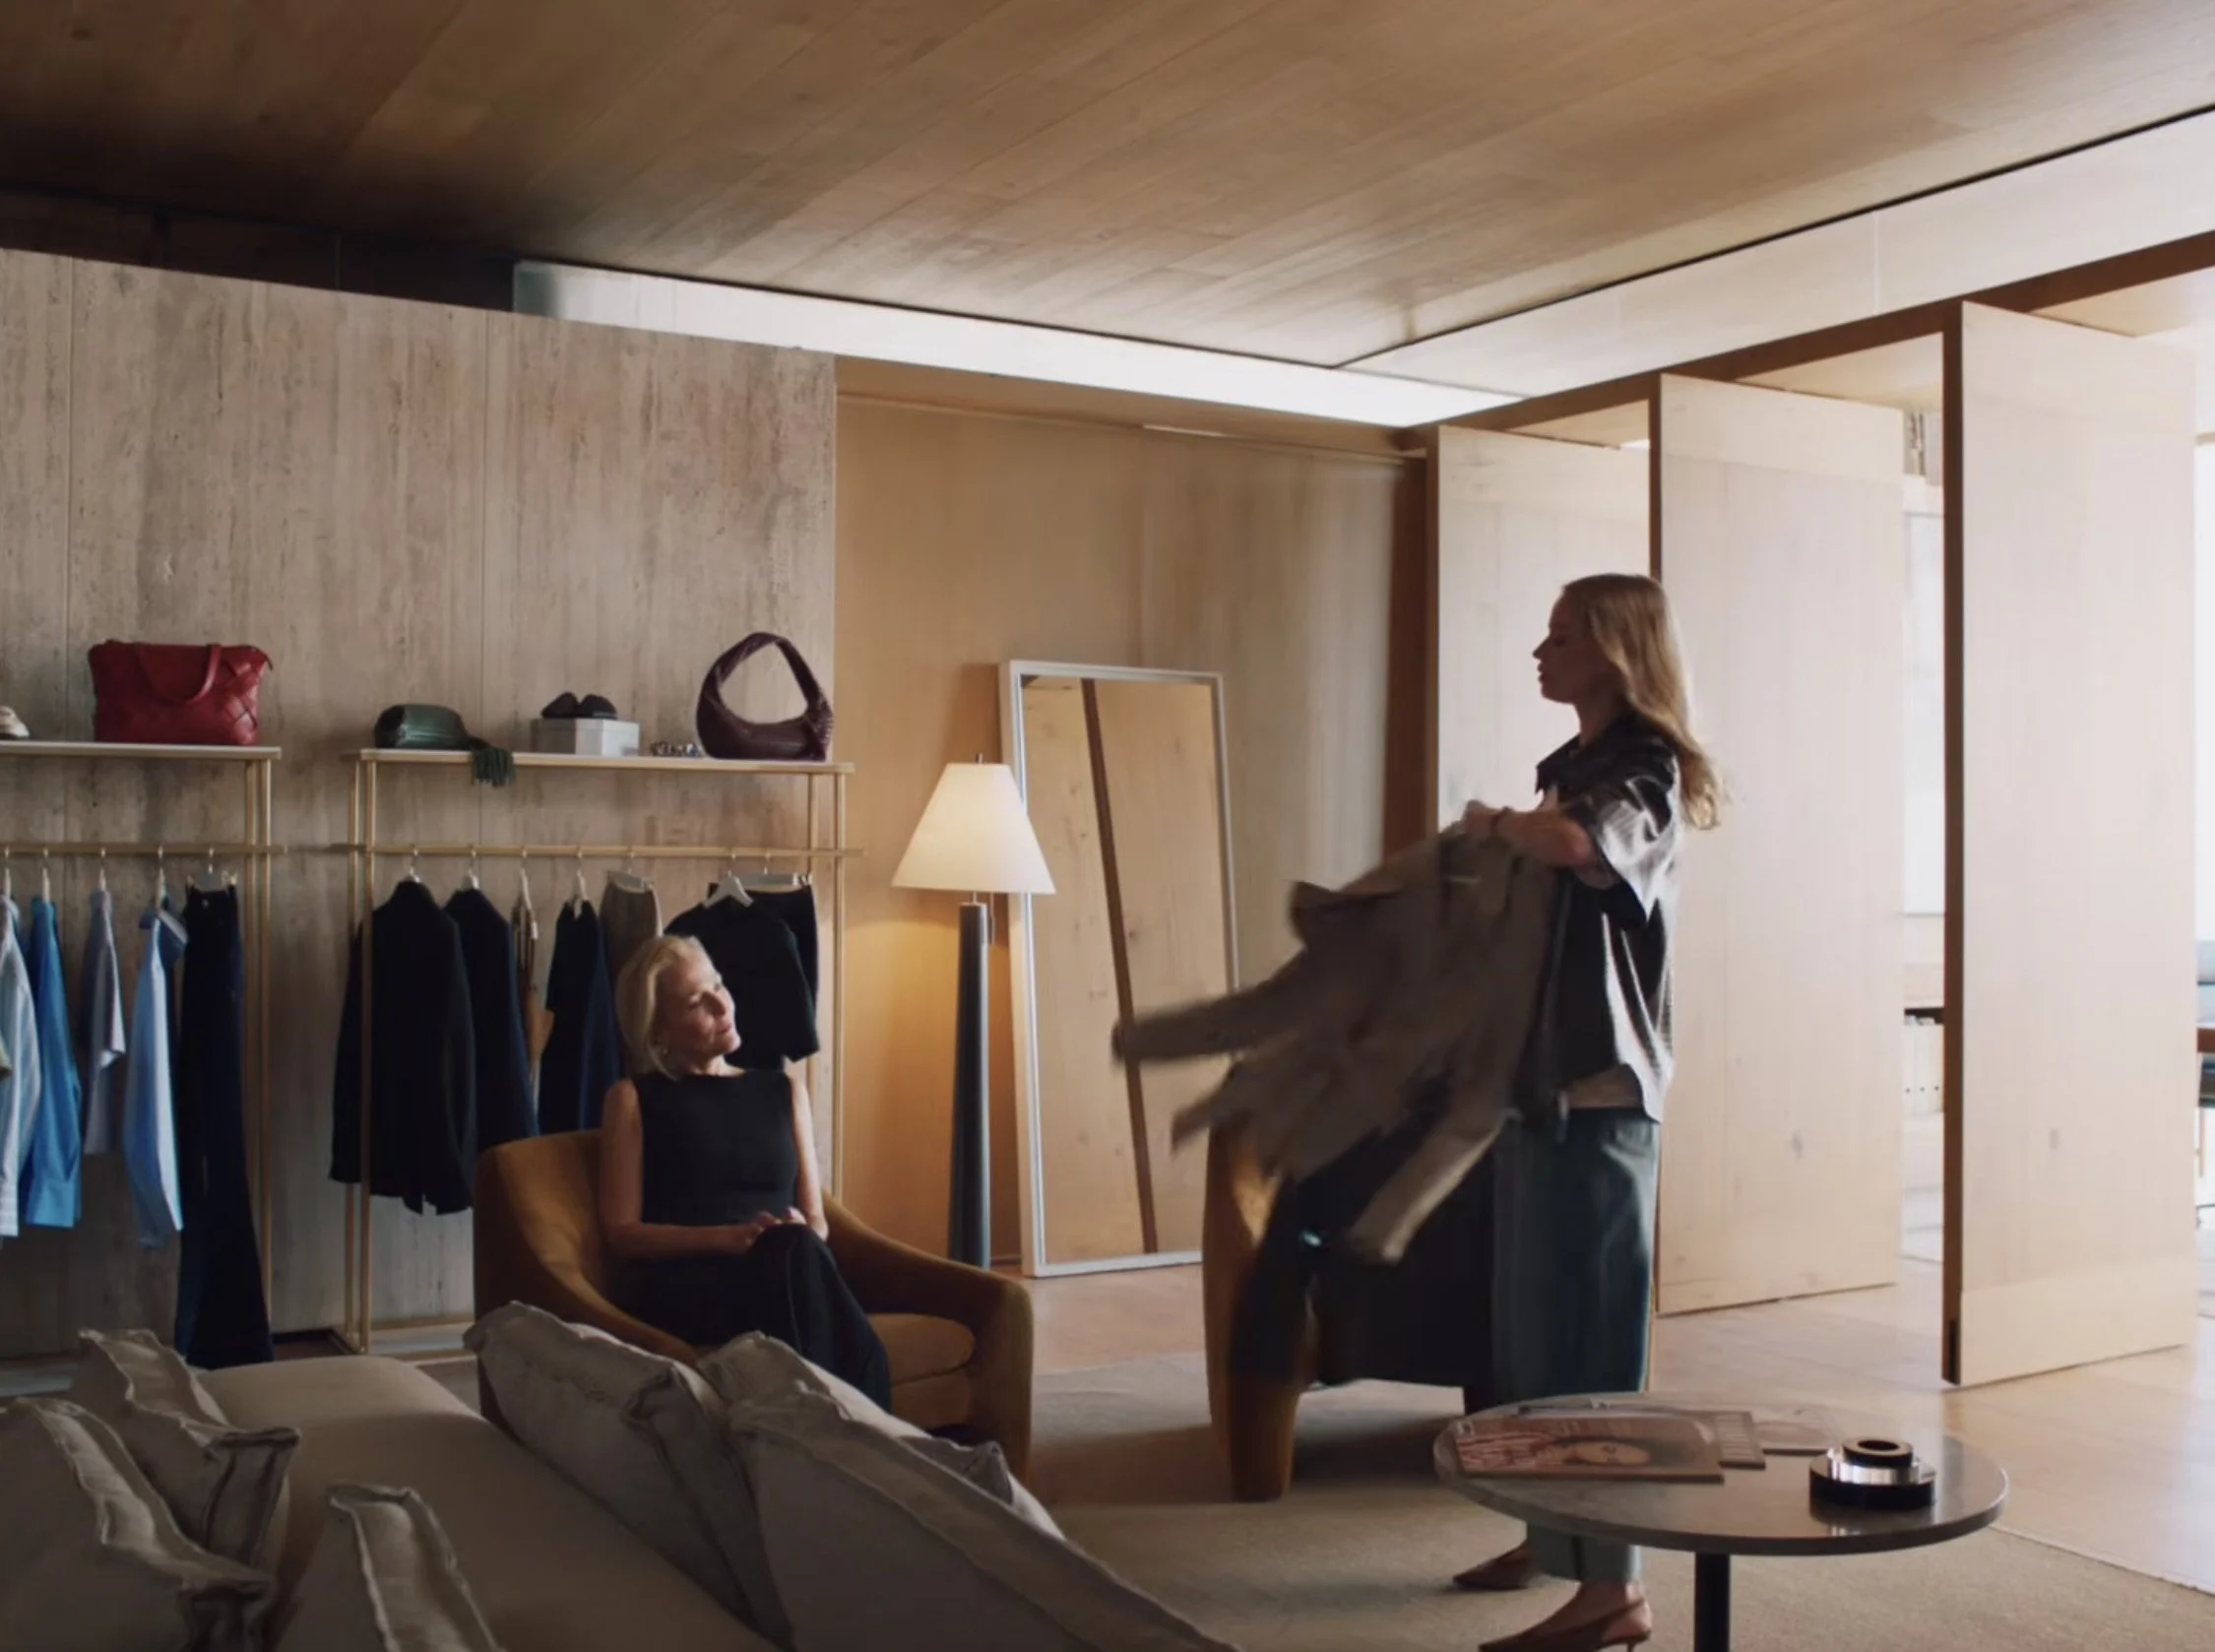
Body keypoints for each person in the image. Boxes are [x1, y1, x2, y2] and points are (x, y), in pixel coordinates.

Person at [1452, 573, 1722, 1652]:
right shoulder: (1570, 768)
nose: (1539, 650)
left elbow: (1581, 848)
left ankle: (1614, 1591)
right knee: (1529, 1338)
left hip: (1603, 1090)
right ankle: (1548, 1532)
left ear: (1614, 650)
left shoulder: (1645, 768)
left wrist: (1496, 825)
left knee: (1593, 1341)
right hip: (1537, 1081)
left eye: (1560, 636)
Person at [598, 934, 891, 1406]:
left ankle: (828, 1420)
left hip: (788, 1266)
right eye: (697, 1002)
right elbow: (622, 1233)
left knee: (797, 1249)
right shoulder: (633, 1099)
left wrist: (798, 1232)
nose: (722, 1005)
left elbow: (817, 1219)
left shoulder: (784, 1091)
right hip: (695, 1283)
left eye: (718, 985)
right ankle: (871, 1422)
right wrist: (726, 1238)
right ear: (658, 1031)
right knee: (802, 1270)